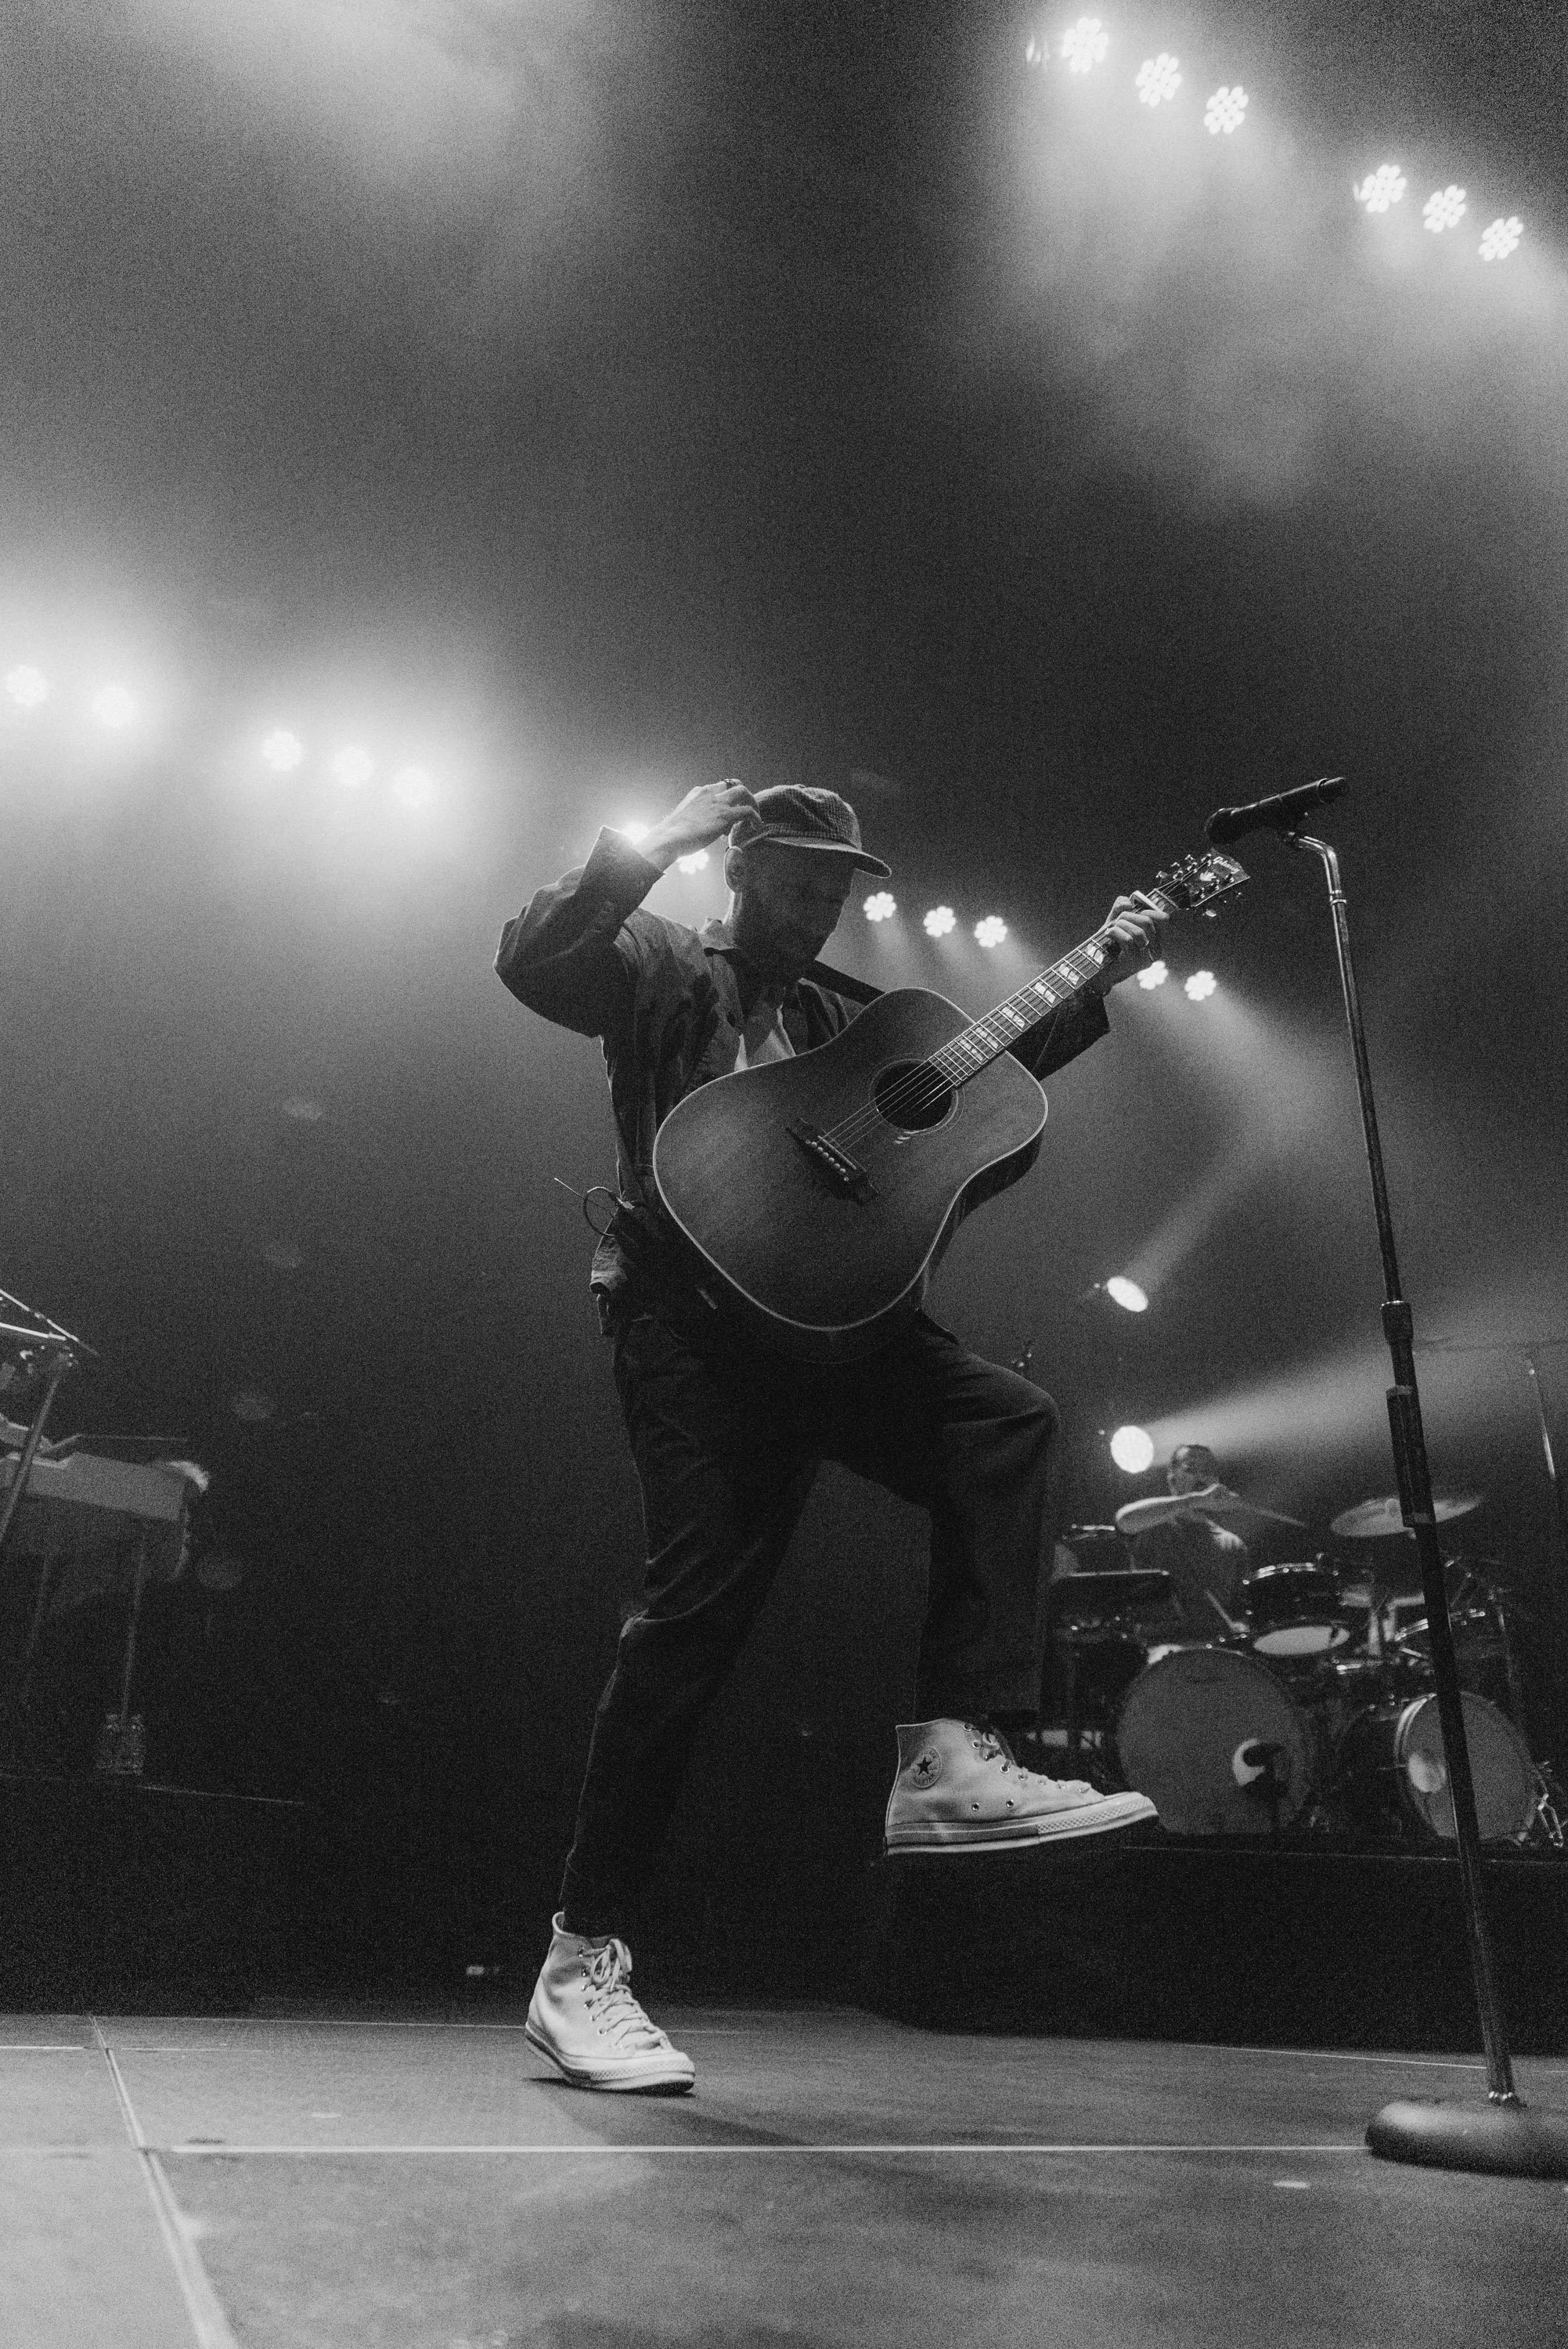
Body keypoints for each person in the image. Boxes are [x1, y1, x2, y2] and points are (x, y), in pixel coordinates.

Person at [496, 777, 1168, 2091]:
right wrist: (647, 845)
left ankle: (948, 1758)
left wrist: (1105, 972)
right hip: (690, 1325)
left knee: (1005, 1421)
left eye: (834, 889)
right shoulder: (660, 964)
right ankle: (579, 1963)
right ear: (743, 872)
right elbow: (535, 960)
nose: (815, 909)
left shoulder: (843, 1017)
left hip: (830, 1325)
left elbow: (987, 1068)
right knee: (693, 1625)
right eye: (795, 882)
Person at [1114, 1442, 1250, 1641]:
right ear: (1172, 1480)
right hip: (1160, 1650)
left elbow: (1241, 1611)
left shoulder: (1233, 1545)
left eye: (1208, 1471)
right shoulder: (1151, 1524)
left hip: (1216, 1652)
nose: (1201, 1477)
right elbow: (1123, 1520)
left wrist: (1242, 1626)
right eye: (1191, 1470)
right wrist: (1194, 1499)